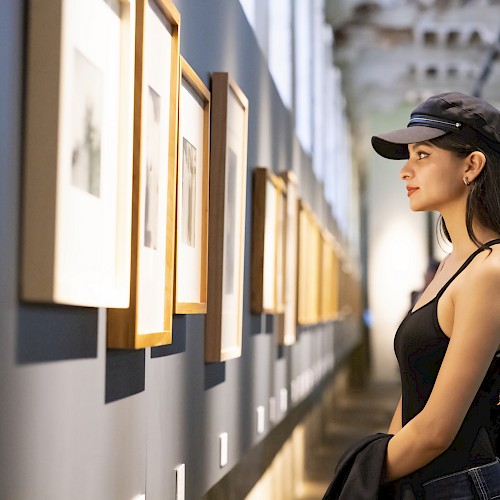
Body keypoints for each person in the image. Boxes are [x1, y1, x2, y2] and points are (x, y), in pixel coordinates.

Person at [325, 92, 500, 499]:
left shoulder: (489, 271)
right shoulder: (453, 265)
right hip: (425, 481)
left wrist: (363, 472)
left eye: (422, 155)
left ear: (472, 166)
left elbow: (436, 430)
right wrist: (384, 459)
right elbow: (415, 389)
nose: (405, 171)